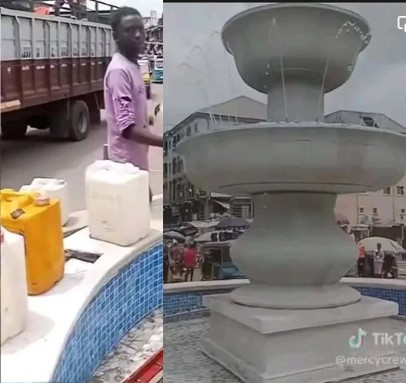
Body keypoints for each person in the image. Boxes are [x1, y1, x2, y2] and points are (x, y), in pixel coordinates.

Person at [104, 7, 163, 202]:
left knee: (144, 209)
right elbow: (127, 129)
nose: (138, 35)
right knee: (136, 214)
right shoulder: (119, 72)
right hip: (125, 165)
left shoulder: (134, 65)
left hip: (136, 161)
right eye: (130, 30)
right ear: (116, 36)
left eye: (141, 29)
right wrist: (165, 143)